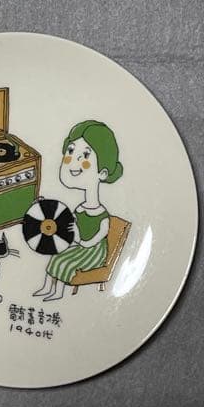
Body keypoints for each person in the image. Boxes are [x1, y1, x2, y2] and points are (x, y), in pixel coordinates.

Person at [33, 120, 123, 302]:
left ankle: (58, 293)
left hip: (93, 253)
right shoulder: (80, 208)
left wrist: (78, 239)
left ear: (103, 173)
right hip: (80, 246)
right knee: (56, 257)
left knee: (66, 262)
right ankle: (47, 288)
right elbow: (66, 224)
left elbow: (92, 242)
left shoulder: (103, 216)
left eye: (85, 155)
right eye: (71, 151)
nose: (73, 161)